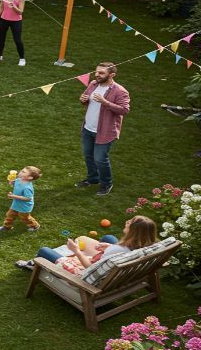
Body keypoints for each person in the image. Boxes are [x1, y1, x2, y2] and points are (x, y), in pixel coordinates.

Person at [17, 215, 157, 273]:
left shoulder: (117, 250)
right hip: (121, 272)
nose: (127, 221)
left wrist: (76, 250)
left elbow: (90, 267)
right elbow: (118, 250)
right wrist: (109, 247)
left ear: (133, 231)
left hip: (88, 279)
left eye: (130, 222)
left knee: (44, 251)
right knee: (108, 237)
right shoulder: (148, 246)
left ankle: (32, 265)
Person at [75, 62, 130, 196]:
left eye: (101, 73)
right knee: (88, 156)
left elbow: (124, 110)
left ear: (111, 75)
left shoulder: (120, 91)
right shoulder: (93, 84)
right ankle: (93, 179)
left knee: (100, 159)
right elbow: (86, 100)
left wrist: (105, 102)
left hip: (105, 131)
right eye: (96, 72)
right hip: (88, 128)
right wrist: (83, 99)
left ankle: (106, 183)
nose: (97, 75)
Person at [0, 166, 42, 232]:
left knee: (25, 218)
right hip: (16, 204)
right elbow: (14, 184)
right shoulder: (18, 180)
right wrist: (11, 182)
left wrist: (13, 196)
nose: (20, 172)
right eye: (21, 170)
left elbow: (28, 198)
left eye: (23, 172)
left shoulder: (27, 187)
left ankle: (35, 226)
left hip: (24, 206)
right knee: (9, 215)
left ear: (30, 177)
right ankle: (7, 226)